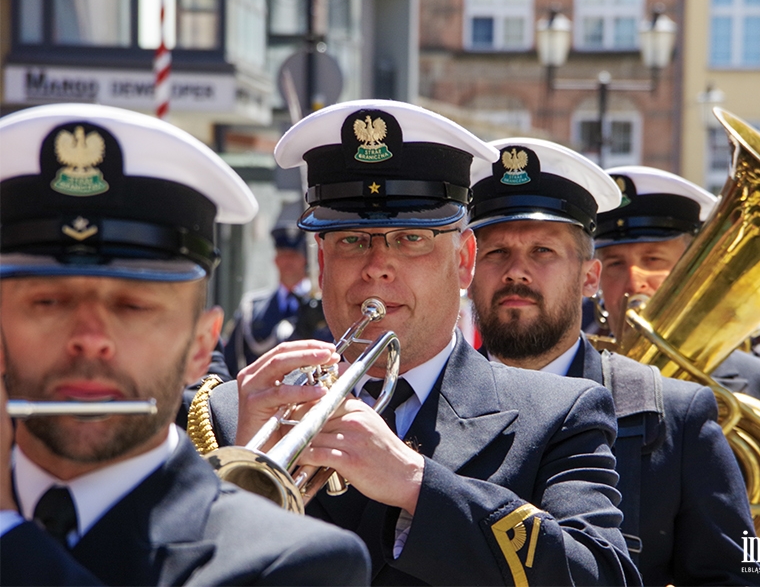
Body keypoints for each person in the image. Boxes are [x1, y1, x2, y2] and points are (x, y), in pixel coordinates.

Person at [202, 99, 641, 585]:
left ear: (464, 262)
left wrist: (417, 484)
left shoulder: (559, 413)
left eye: (411, 238)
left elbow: (600, 575)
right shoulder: (233, 414)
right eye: (350, 239)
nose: (376, 265)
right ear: (321, 265)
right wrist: (240, 503)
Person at [0, 103, 371, 586]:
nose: (89, 339)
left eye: (133, 307)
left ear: (202, 346)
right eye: (48, 302)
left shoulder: (296, 563)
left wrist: (7, 531)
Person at [466, 138, 760, 586]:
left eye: (542, 251)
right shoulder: (423, 402)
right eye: (497, 252)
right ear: (467, 267)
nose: (516, 272)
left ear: (589, 277)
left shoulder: (675, 416)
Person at [593, 165, 760, 586]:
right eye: (614, 263)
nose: (633, 282)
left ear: (691, 268)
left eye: (654, 260)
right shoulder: (570, 376)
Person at [223, 217, 329, 375]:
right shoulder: (252, 308)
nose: (288, 262)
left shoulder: (324, 305)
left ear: (305, 260)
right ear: (275, 259)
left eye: (293, 256)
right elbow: (232, 361)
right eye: (283, 255)